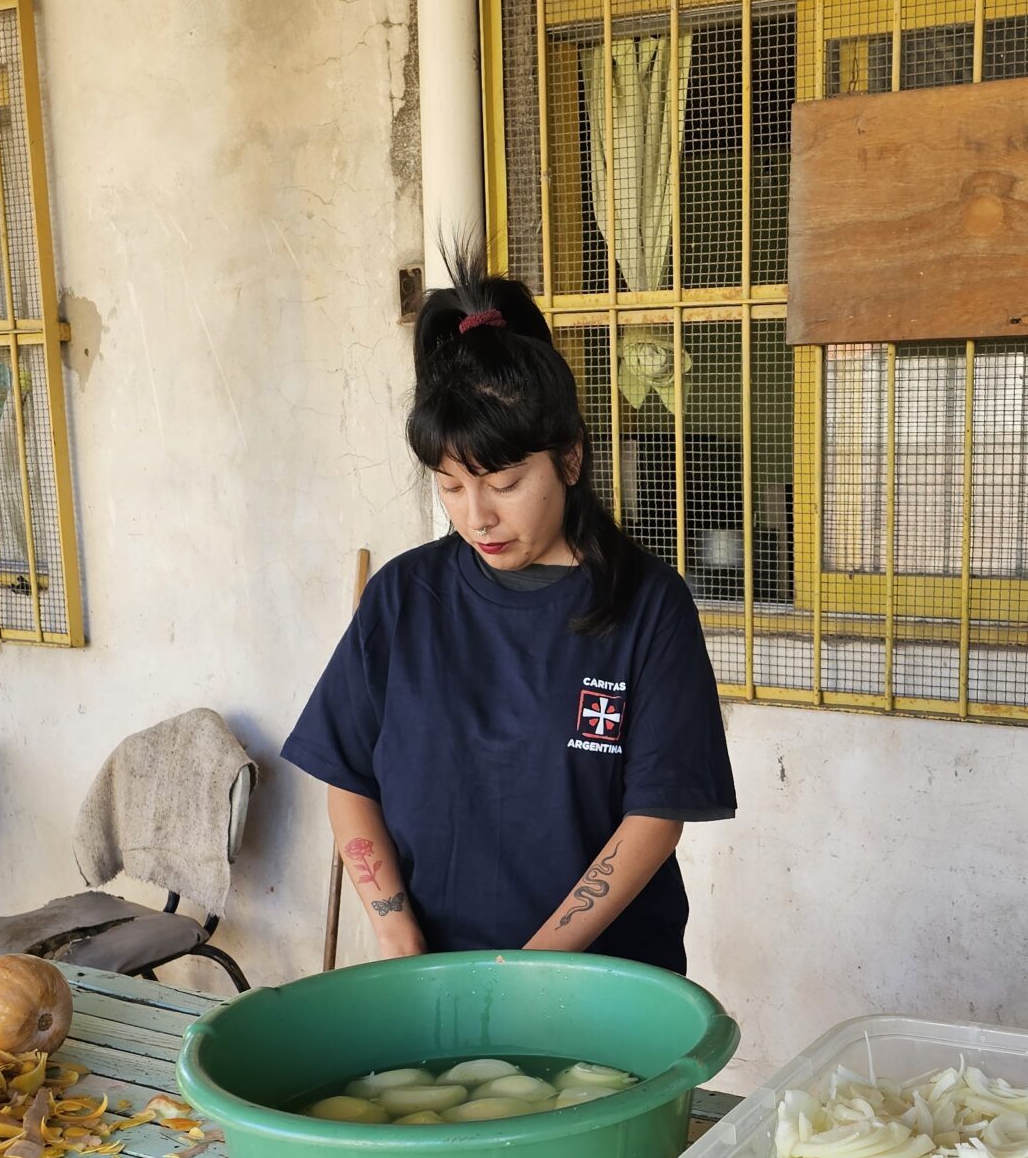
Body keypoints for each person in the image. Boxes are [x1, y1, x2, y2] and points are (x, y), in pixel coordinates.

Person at [284, 255, 736, 970]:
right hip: (430, 972)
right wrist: (397, 934)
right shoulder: (404, 598)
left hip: (603, 983)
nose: (478, 516)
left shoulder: (647, 605)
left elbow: (654, 818)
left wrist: (526, 973)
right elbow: (350, 779)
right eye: (452, 486)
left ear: (571, 459)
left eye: (505, 482)